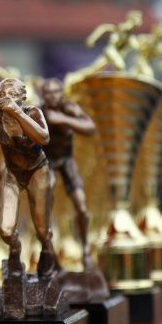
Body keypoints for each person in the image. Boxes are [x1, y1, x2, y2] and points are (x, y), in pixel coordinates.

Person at [0, 78, 57, 278]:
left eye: (11, 94)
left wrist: (17, 113)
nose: (5, 98)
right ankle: (15, 251)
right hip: (12, 173)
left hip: (37, 170)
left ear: (22, 97)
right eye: (1, 95)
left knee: (42, 229)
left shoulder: (33, 113)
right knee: (6, 230)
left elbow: (44, 138)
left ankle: (47, 250)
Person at [40, 78, 97, 268]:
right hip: (46, 160)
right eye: (47, 93)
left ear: (62, 93)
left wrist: (63, 119)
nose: (51, 96)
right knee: (44, 204)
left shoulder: (69, 109)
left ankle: (86, 249)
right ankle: (49, 252)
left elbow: (90, 128)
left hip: (66, 160)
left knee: (81, 206)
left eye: (55, 92)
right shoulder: (38, 112)